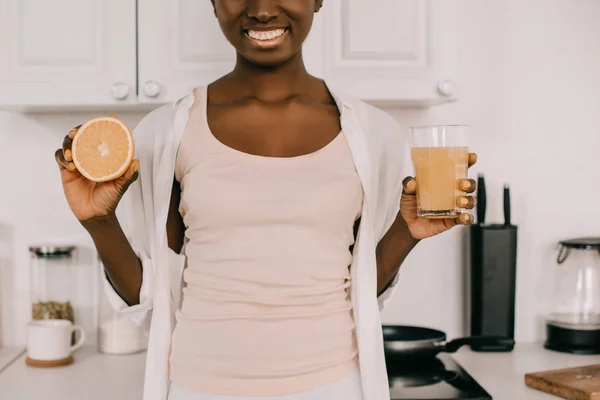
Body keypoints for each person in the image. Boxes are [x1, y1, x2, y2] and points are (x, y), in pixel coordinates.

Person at [54, 1, 477, 399]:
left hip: (332, 385)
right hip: (199, 385)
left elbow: (365, 288)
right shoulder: (165, 132)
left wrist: (407, 232)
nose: (260, 9)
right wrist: (98, 222)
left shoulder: (374, 135)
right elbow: (151, 298)